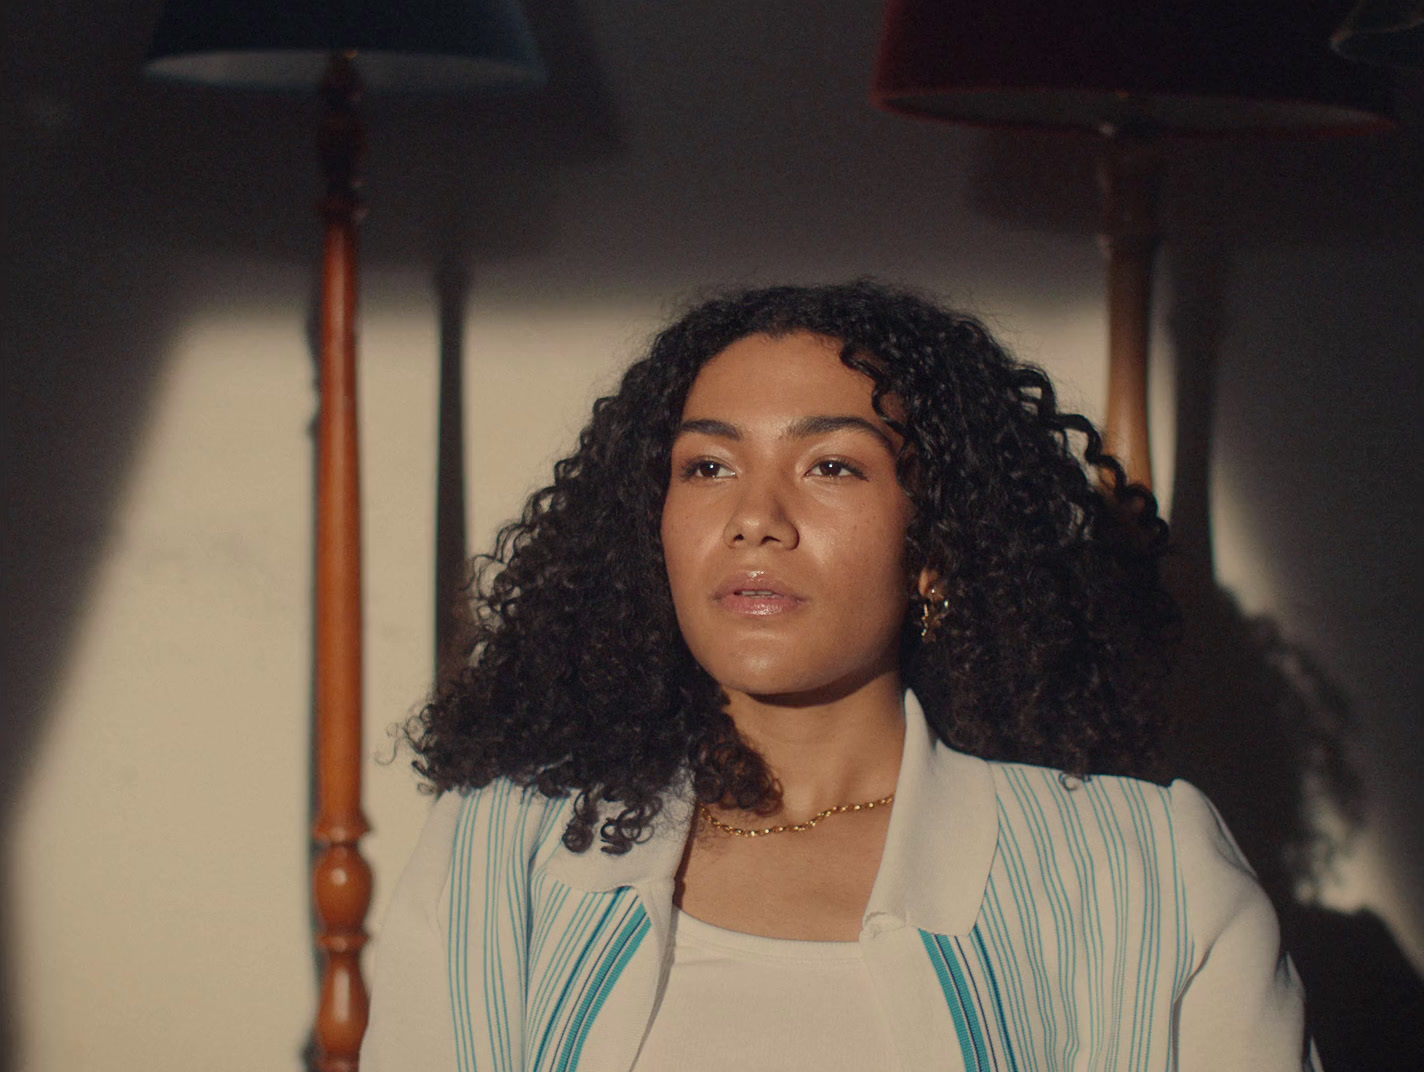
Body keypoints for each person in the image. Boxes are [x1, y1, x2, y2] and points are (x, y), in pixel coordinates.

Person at [361, 281, 1318, 1071]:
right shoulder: (496, 853)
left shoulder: (1147, 871)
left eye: (830, 466)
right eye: (705, 467)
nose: (754, 517)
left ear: (936, 544)